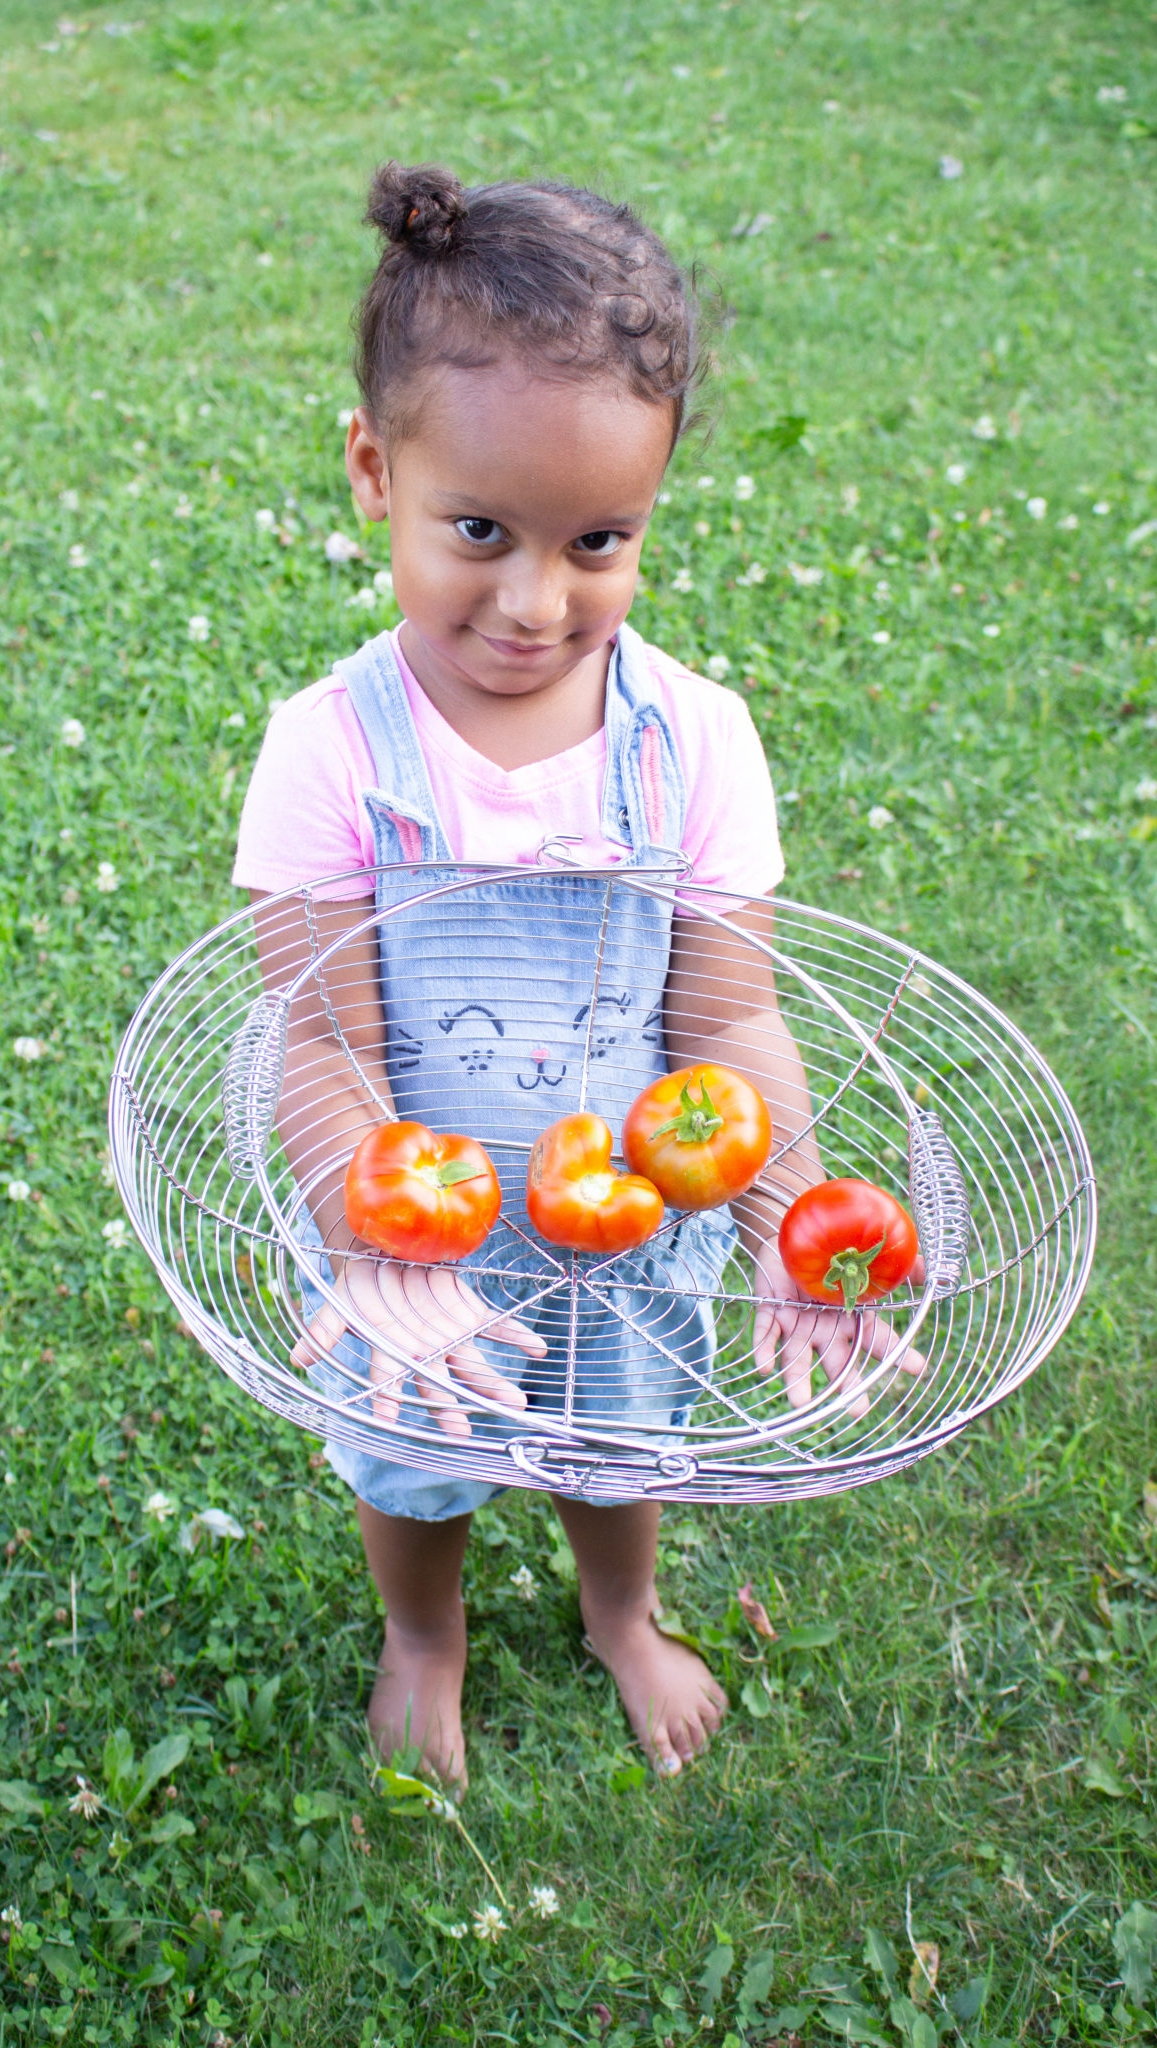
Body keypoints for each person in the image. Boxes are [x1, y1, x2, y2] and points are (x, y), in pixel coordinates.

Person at [232, 162, 919, 1787]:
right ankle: (425, 1630)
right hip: (430, 1239)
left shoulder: (698, 744)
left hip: (630, 1221)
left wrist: (784, 1206)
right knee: (415, 1461)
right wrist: (375, 1225)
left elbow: (727, 1014)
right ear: (370, 471)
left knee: (622, 1442)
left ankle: (620, 1608)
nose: (537, 602)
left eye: (598, 541)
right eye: (478, 531)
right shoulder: (330, 752)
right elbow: (319, 1037)